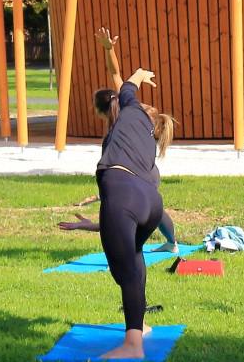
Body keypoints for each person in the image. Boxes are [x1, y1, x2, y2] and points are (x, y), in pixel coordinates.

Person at [55, 41, 174, 361]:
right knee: (133, 258)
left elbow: (125, 84)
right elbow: (123, 84)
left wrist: (138, 73)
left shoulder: (131, 113)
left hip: (123, 196)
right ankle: (140, 324)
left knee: (125, 272)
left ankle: (133, 345)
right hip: (151, 204)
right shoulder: (143, 132)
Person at [63, 29, 180, 251]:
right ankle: (171, 243)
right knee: (152, 207)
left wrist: (90, 224)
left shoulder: (121, 121)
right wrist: (109, 49)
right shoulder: (129, 109)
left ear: (99, 112)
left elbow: (116, 74)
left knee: (127, 210)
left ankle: (133, 252)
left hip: (137, 174)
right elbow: (116, 74)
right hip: (148, 172)